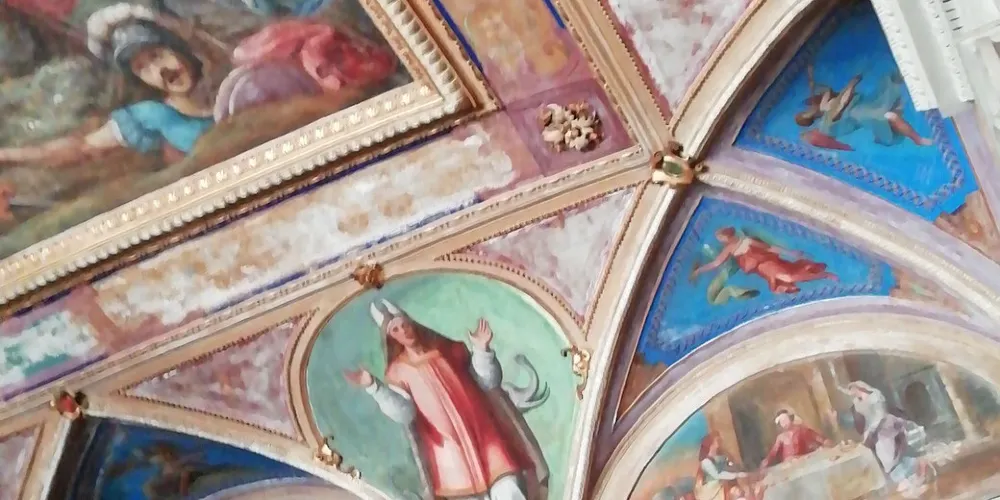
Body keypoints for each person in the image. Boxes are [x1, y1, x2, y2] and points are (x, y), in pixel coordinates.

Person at [344, 300, 548, 500]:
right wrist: (374, 387)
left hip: (486, 437)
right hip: (449, 456)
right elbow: (405, 413)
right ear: (391, 337)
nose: (404, 331)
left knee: (509, 488)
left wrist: (482, 350)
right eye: (396, 329)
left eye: (405, 324)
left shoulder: (449, 350)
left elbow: (487, 382)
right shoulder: (397, 372)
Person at [0, 4, 214, 168]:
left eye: (157, 55)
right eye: (142, 69)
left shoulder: (226, 81)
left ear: (176, 46)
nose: (159, 72)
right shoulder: (150, 115)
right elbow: (81, 147)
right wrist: (7, 155)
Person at [795, 65, 933, 151]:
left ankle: (916, 70)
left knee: (891, 86)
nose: (809, 110)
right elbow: (840, 106)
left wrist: (812, 80)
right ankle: (917, 139)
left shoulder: (825, 113)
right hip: (864, 114)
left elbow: (830, 94)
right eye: (806, 113)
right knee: (891, 114)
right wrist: (851, 85)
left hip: (866, 108)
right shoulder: (826, 122)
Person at [830, 381, 930, 496]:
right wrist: (837, 418)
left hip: (885, 445)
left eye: (856, 391)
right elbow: (853, 421)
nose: (854, 394)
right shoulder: (860, 405)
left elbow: (876, 420)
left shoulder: (876, 401)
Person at [691, 227, 838, 295]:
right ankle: (820, 275)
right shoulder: (731, 248)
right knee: (786, 280)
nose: (721, 241)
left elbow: (769, 248)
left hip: (768, 264)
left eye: (721, 238)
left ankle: (824, 275)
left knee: (789, 277)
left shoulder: (746, 241)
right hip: (761, 270)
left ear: (726, 237)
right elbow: (716, 263)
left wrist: (790, 252)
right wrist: (699, 270)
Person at [693, 433, 764, 500]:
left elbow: (727, 464)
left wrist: (735, 469)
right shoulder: (705, 462)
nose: (718, 445)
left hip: (721, 484)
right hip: (712, 490)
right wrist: (737, 475)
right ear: (711, 445)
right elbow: (717, 475)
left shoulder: (717, 457)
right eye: (716, 442)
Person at [760, 410, 833, 468]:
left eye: (785, 420)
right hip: (788, 465)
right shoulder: (780, 437)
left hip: (802, 462)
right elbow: (773, 453)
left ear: (790, 419)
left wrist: (825, 442)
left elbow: (817, 437)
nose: (784, 423)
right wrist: (766, 462)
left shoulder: (801, 430)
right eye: (781, 421)